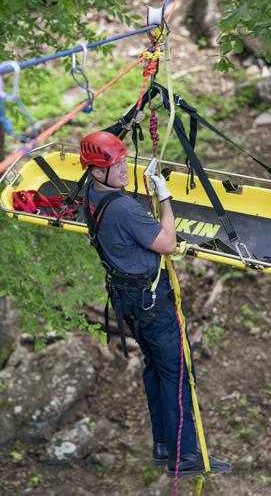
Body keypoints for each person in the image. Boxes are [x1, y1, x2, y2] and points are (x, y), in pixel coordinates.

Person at [80, 130, 231, 477]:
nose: (122, 168)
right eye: (114, 165)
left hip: (127, 299)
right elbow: (167, 243)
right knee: (178, 373)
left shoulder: (91, 195)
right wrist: (165, 199)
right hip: (151, 302)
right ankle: (186, 455)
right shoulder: (123, 210)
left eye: (121, 160)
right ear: (96, 171)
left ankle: (164, 445)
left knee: (155, 368)